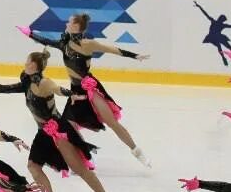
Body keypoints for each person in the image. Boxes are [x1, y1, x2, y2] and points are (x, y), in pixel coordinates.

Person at [0, 51, 118, 192]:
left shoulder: (45, 83)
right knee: (33, 165)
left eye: (28, 62)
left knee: (79, 169)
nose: (25, 64)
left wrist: (71, 94)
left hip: (59, 130)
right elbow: (3, 89)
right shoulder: (27, 83)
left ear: (35, 65)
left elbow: (57, 89)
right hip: (43, 133)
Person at [21, 14, 151, 165]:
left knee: (111, 122)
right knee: (68, 126)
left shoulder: (88, 44)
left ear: (76, 26)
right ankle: (86, 155)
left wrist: (135, 56)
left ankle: (136, 150)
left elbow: (111, 49)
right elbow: (47, 41)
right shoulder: (65, 44)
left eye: (69, 21)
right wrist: (29, 34)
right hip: (75, 91)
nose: (67, 23)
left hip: (90, 88)